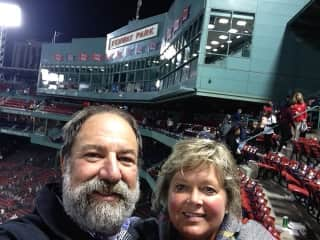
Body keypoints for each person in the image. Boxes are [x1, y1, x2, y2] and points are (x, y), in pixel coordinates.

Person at [0, 105, 142, 239]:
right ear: (65, 164)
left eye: (125, 159)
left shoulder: (146, 233)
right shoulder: (15, 235)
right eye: (94, 155)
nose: (113, 174)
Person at [131, 138, 273, 240]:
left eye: (209, 189)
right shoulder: (140, 233)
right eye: (181, 187)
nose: (194, 199)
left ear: (228, 200)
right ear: (166, 194)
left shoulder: (253, 236)